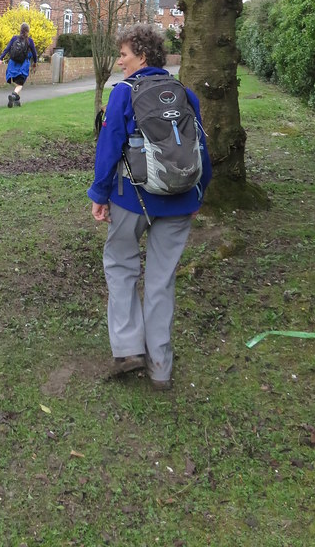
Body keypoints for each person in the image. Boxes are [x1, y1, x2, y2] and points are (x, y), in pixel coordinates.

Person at [87, 23, 211, 391]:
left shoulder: (124, 94)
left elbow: (108, 148)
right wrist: (198, 194)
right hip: (180, 200)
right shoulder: (185, 94)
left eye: (123, 55)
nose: (119, 61)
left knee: (121, 265)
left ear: (142, 56)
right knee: (161, 281)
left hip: (132, 198)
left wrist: (99, 195)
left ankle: (128, 350)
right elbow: (201, 149)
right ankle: (160, 368)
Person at [0, 22, 37, 107]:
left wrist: (1, 58)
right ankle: (14, 95)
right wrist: (35, 62)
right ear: (28, 31)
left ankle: (17, 100)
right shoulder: (29, 41)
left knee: (16, 81)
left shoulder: (14, 38)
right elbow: (34, 53)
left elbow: (7, 49)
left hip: (12, 63)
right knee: (20, 84)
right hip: (23, 64)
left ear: (20, 30)